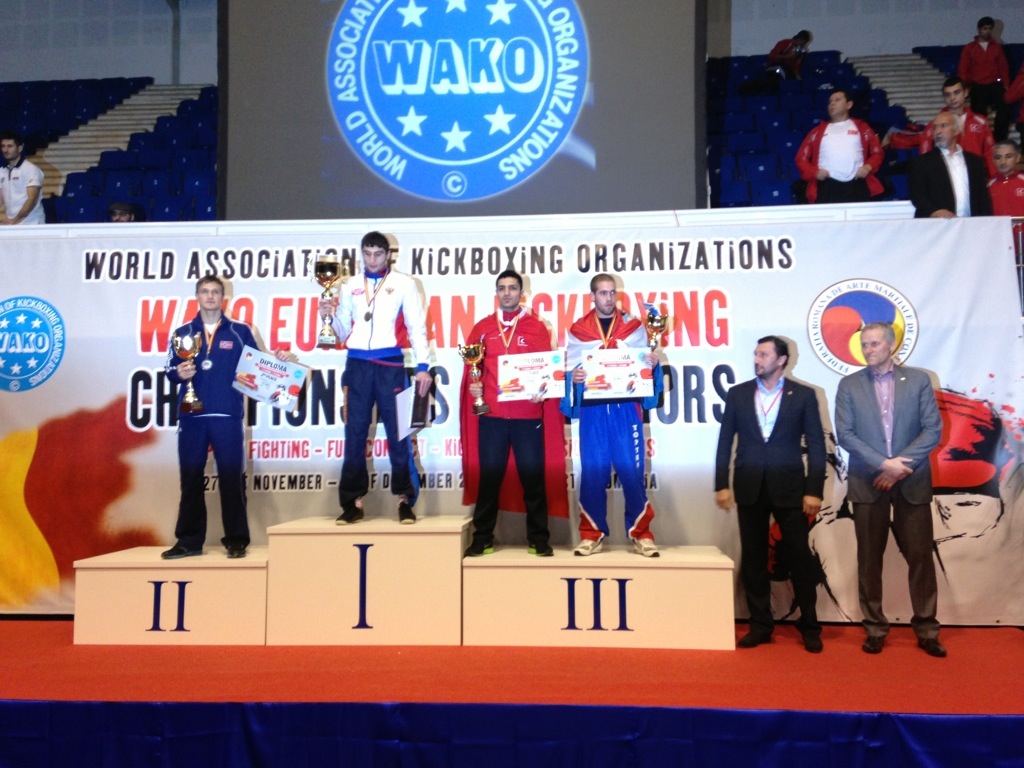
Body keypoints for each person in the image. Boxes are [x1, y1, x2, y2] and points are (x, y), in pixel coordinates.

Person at [835, 322, 945, 657]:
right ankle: (874, 628)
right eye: (864, 345)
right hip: (868, 481)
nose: (867, 350)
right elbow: (846, 435)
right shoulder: (849, 385)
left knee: (921, 557)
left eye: (874, 344)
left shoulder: (919, 380)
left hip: (911, 480)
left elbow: (932, 430)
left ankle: (926, 629)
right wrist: (883, 464)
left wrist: (897, 467)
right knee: (869, 559)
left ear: (891, 345)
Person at [162, 275, 288, 559]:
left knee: (232, 478)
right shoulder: (182, 332)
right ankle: (189, 541)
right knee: (190, 479)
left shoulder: (240, 331)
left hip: (227, 414)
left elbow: (261, 366)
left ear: (223, 298)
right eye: (204, 291)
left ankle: (236, 540)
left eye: (215, 292)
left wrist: (278, 362)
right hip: (192, 416)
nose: (210, 296)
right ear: (197, 296)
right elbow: (169, 369)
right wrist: (177, 373)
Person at [714, 336, 826, 653]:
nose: (756, 359)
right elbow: (725, 441)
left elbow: (817, 446)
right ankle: (760, 625)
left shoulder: (803, 395)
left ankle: (810, 625)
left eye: (763, 354)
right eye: (755, 353)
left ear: (781, 360)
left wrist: (814, 490)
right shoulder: (738, 394)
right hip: (749, 486)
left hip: (790, 488)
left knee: (799, 558)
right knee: (754, 559)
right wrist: (721, 483)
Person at [319, 231, 432, 525]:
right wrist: (327, 317)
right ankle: (353, 503)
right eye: (367, 254)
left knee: (399, 434)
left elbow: (416, 326)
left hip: (390, 365)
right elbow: (342, 331)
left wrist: (423, 365)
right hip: (357, 366)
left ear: (388, 255)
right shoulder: (349, 285)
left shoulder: (404, 284)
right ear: (361, 254)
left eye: (378, 254)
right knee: (354, 435)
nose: (372, 260)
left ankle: (405, 500)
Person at [460, 270, 568, 557]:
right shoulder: (483, 327)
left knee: (533, 480)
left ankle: (539, 539)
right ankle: (482, 538)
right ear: (496, 293)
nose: (507, 293)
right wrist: (474, 385)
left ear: (522, 294)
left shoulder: (538, 327)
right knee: (489, 480)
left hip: (527, 416)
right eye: (502, 288)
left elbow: (548, 369)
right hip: (492, 416)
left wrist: (543, 389)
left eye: (512, 288)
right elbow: (473, 369)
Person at [562, 274, 662, 558]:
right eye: (602, 293)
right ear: (592, 296)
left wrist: (653, 364)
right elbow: (569, 369)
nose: (608, 298)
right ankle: (591, 535)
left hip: (625, 410)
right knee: (593, 474)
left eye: (612, 293)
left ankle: (642, 534)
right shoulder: (578, 330)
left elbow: (644, 367)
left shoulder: (635, 327)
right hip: (593, 411)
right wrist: (574, 377)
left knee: (632, 473)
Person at [795, 90, 885, 204]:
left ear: (849, 104)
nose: (832, 103)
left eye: (837, 100)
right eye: (830, 102)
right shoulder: (816, 132)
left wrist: (868, 167)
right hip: (827, 186)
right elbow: (801, 159)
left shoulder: (863, 128)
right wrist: (815, 172)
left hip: (857, 184)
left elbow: (877, 152)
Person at [908, 111, 993, 218]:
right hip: (937, 224)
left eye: (943, 126)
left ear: (956, 130)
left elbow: (983, 198)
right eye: (935, 127)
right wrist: (934, 212)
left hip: (971, 224)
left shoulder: (975, 161)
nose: (938, 131)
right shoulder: (921, 162)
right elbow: (917, 195)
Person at [919, 77, 997, 178]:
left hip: (974, 176)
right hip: (946, 178)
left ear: (966, 92)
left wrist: (993, 179)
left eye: (957, 92)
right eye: (947, 95)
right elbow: (924, 155)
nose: (952, 98)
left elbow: (990, 153)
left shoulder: (981, 122)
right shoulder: (933, 125)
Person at [957, 16, 1010, 141]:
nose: (987, 31)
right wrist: (964, 87)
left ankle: (999, 140)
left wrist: (1006, 85)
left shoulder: (996, 47)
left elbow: (1003, 67)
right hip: (977, 86)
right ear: (979, 29)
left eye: (990, 29)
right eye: (985, 28)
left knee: (1005, 110)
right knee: (979, 115)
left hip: (994, 85)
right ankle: (981, 140)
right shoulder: (970, 48)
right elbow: (963, 69)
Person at [0, 131, 45, 225]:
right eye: (3, 146)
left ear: (20, 148)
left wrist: (15, 220)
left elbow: (32, 199)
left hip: (32, 223)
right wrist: (12, 221)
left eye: (10, 146)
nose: (5, 150)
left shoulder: (30, 170)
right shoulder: (2, 171)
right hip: (12, 223)